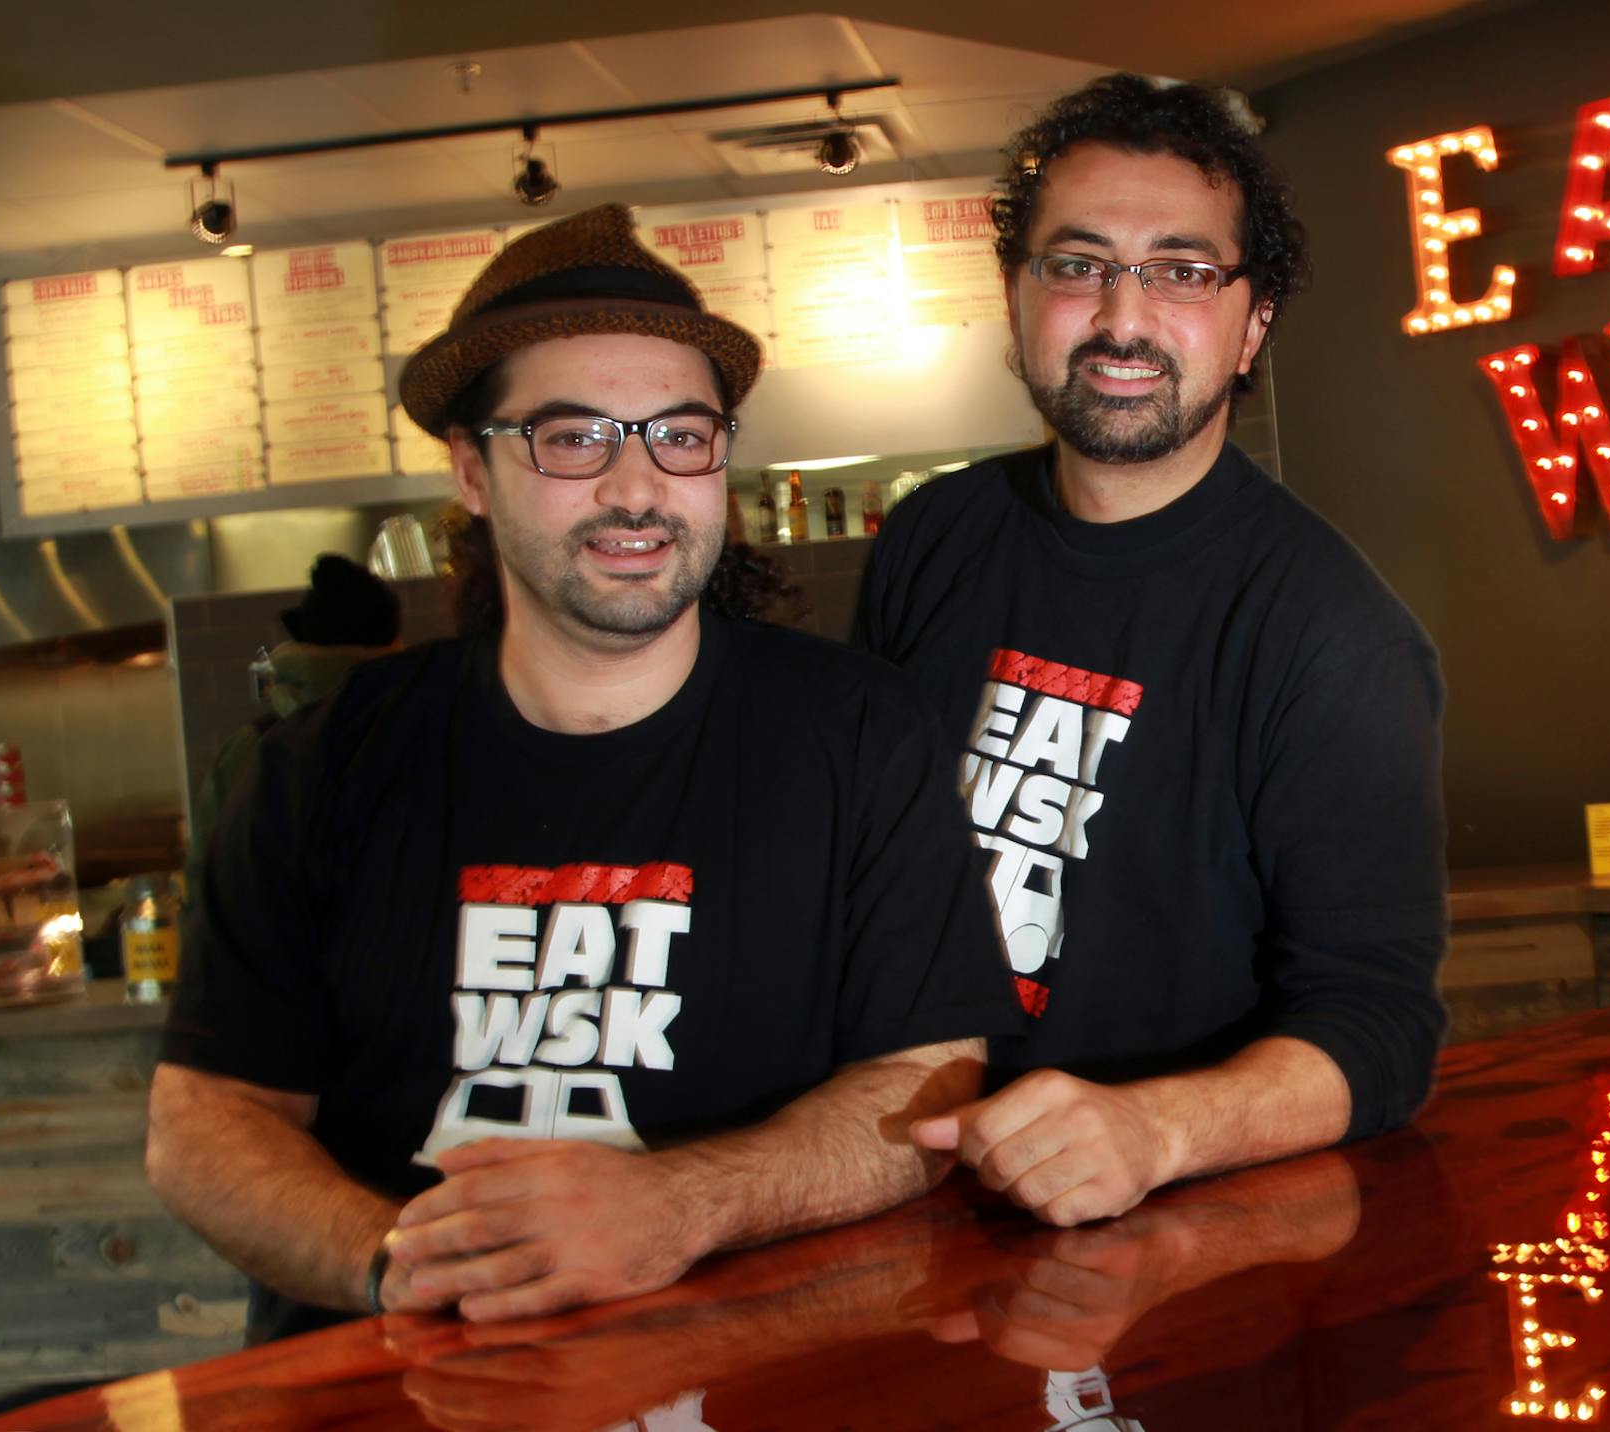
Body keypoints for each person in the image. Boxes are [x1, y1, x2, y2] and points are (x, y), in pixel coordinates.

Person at [150, 203, 1021, 1343]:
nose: (636, 487)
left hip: (760, 1379)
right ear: (471, 469)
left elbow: (928, 1078)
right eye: (573, 438)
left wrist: (677, 1204)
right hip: (408, 1387)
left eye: (680, 434)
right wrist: (412, 1265)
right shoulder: (319, 769)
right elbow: (208, 1121)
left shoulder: (860, 734)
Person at [854, 74, 1448, 1227]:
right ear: (1017, 292)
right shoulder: (933, 535)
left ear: (1252, 320)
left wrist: (1153, 1129)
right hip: (903, 1181)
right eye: (1078, 265)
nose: (1122, 319)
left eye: (1181, 272)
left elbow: (1377, 1024)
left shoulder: (1332, 632)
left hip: (1163, 1230)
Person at [186, 553, 401, 914]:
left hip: (268, 964)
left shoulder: (249, 750)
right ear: (394, 646)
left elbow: (204, 893)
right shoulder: (426, 733)